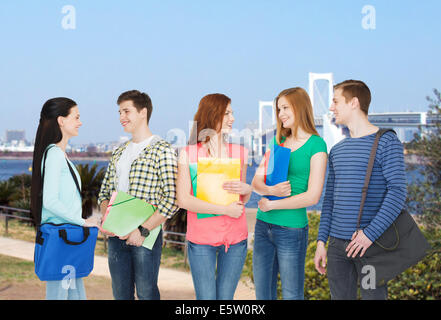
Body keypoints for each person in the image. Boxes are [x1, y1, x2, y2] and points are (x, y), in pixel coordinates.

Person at [314, 80, 407, 300]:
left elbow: (397, 192)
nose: (330, 107)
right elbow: (329, 201)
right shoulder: (336, 150)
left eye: (336, 101)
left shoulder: (387, 141)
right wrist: (321, 242)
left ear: (354, 102)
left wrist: (369, 235)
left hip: (371, 247)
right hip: (337, 248)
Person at [97, 90, 179, 300]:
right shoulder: (119, 151)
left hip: (145, 236)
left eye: (126, 111)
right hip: (116, 236)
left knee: (146, 293)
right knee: (120, 294)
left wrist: (142, 230)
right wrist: (110, 220)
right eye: (119, 112)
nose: (121, 117)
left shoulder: (162, 150)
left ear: (143, 112)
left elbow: (172, 199)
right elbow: (104, 192)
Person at [251, 87, 327, 300]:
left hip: (291, 230)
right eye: (278, 109)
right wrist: (270, 191)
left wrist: (273, 204)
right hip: (263, 225)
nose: (280, 114)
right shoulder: (278, 142)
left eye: (285, 108)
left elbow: (313, 196)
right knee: (263, 294)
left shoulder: (317, 145)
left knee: (293, 295)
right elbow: (256, 181)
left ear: (300, 107)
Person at [176, 93, 252, 300]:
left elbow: (241, 198)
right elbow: (183, 199)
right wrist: (224, 210)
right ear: (212, 114)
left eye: (232, 113)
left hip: (235, 238)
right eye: (227, 113)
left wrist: (247, 190)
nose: (232, 118)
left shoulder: (240, 153)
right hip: (201, 239)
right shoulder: (188, 153)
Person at [30, 97, 100, 300]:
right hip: (62, 239)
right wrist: (83, 221)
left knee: (74, 295)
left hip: (67, 240)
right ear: (61, 120)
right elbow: (50, 201)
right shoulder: (54, 155)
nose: (80, 122)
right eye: (76, 117)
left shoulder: (59, 154)